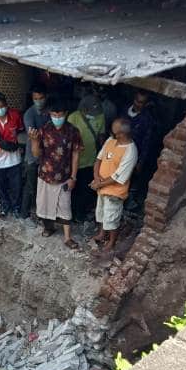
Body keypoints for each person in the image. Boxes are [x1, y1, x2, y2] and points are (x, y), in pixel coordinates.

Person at [29, 96, 83, 249]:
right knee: (44, 204)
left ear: (66, 114)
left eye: (60, 116)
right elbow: (36, 154)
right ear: (49, 114)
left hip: (64, 176)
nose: (57, 118)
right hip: (46, 175)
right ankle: (49, 227)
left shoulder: (73, 131)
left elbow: (76, 154)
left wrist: (73, 176)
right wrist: (34, 141)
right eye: (54, 115)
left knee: (65, 206)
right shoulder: (44, 130)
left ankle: (67, 237)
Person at [90, 118, 138, 251]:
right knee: (101, 212)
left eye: (114, 130)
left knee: (112, 217)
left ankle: (111, 242)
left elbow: (119, 177)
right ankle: (101, 234)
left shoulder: (131, 151)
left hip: (115, 191)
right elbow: (99, 159)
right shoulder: (110, 140)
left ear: (121, 134)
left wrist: (99, 184)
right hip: (101, 186)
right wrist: (97, 178)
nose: (111, 132)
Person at [68, 94, 106, 222]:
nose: (94, 114)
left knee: (85, 189)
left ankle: (80, 214)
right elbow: (67, 137)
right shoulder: (74, 117)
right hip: (74, 162)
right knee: (73, 189)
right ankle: (70, 214)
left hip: (91, 161)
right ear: (83, 109)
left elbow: (101, 136)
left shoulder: (100, 116)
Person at [20, 84, 49, 220]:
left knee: (41, 186)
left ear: (46, 97)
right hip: (32, 156)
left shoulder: (48, 112)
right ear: (32, 99)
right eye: (36, 98)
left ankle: (38, 213)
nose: (39, 101)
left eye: (41, 98)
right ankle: (26, 213)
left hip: (46, 156)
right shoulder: (29, 114)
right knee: (31, 186)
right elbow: (34, 135)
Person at [121, 90, 154, 210]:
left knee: (128, 180)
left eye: (141, 102)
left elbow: (146, 143)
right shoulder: (124, 111)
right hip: (118, 152)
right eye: (136, 100)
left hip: (133, 156)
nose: (138, 104)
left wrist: (140, 162)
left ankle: (125, 203)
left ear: (145, 104)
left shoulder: (147, 120)